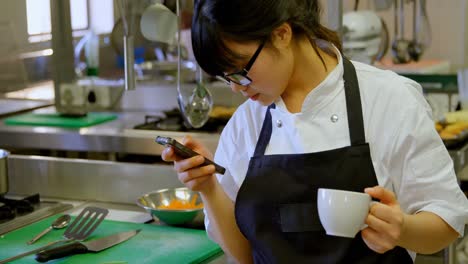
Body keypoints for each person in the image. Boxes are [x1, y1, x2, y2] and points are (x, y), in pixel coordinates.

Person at [161, 0, 468, 263]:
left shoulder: (388, 98)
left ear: (281, 34)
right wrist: (209, 188)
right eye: (225, 78)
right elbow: (245, 255)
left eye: (240, 72)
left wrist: (402, 229)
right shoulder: (246, 124)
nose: (236, 88)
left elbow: (447, 222)